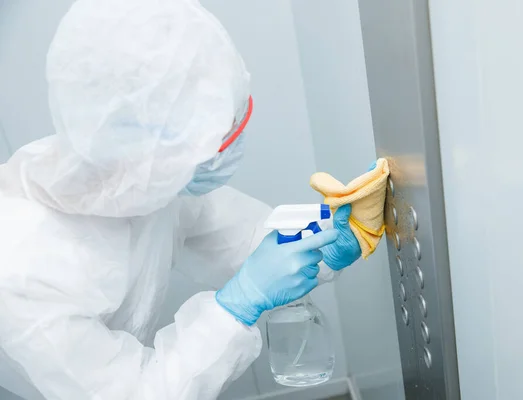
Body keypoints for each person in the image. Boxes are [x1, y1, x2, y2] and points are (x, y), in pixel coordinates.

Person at [0, 1, 362, 399]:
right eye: (221, 136)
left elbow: (246, 239)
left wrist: (329, 242)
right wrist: (239, 304)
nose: (233, 141)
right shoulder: (21, 267)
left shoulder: (146, 171)